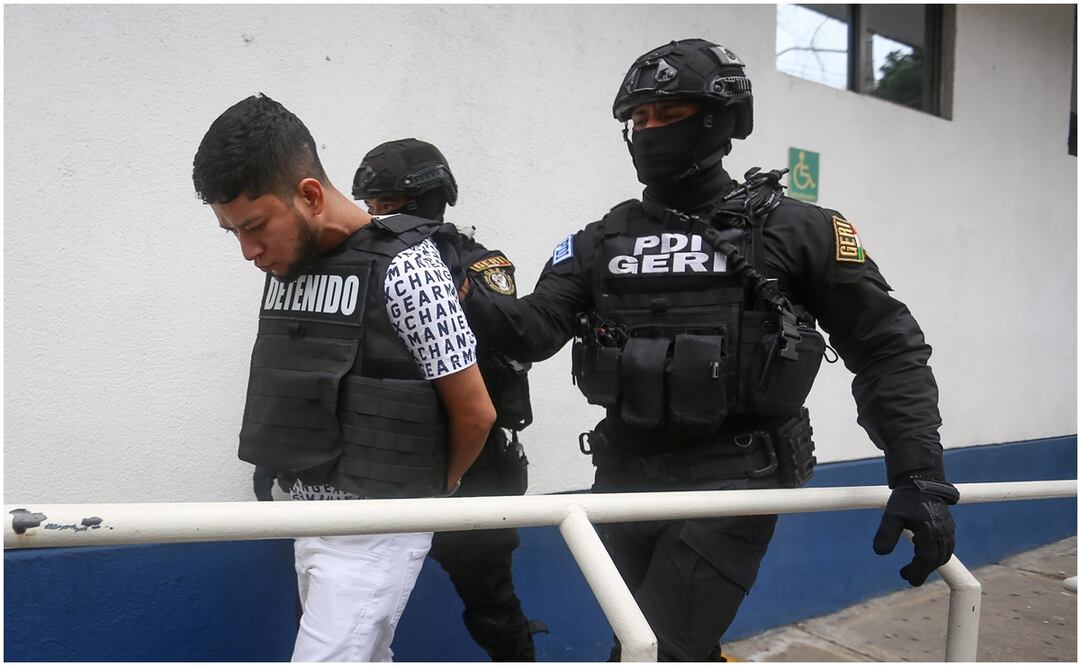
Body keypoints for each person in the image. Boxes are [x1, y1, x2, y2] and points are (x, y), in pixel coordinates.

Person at [460, 39, 959, 661]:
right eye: (638, 119)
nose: (649, 131)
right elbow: (531, 333)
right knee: (642, 640)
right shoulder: (598, 241)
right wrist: (462, 283)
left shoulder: (796, 229)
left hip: (735, 482)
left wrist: (919, 474)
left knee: (660, 650)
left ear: (721, 121)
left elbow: (887, 347)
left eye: (668, 114)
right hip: (622, 481)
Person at [191, 94, 495, 662]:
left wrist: (426, 496)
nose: (248, 251)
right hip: (309, 517)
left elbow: (475, 411)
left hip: (378, 526)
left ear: (309, 195)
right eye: (232, 232)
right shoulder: (291, 266)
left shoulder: (409, 268)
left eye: (254, 226)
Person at [352, 138, 540, 662]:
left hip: (472, 467)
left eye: (388, 204)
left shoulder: (475, 264)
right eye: (372, 205)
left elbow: (513, 334)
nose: (376, 216)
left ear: (426, 199)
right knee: (357, 610)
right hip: (387, 463)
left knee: (493, 607)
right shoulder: (363, 262)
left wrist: (458, 290)